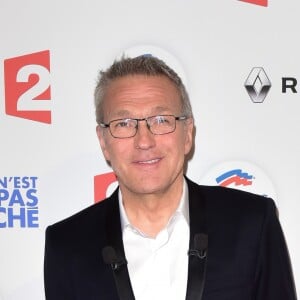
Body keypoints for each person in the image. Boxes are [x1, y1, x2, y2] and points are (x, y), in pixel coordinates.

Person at [44, 55, 297, 300]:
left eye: (161, 120)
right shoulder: (67, 245)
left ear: (187, 134)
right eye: (124, 123)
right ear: (103, 141)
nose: (144, 140)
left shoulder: (252, 223)